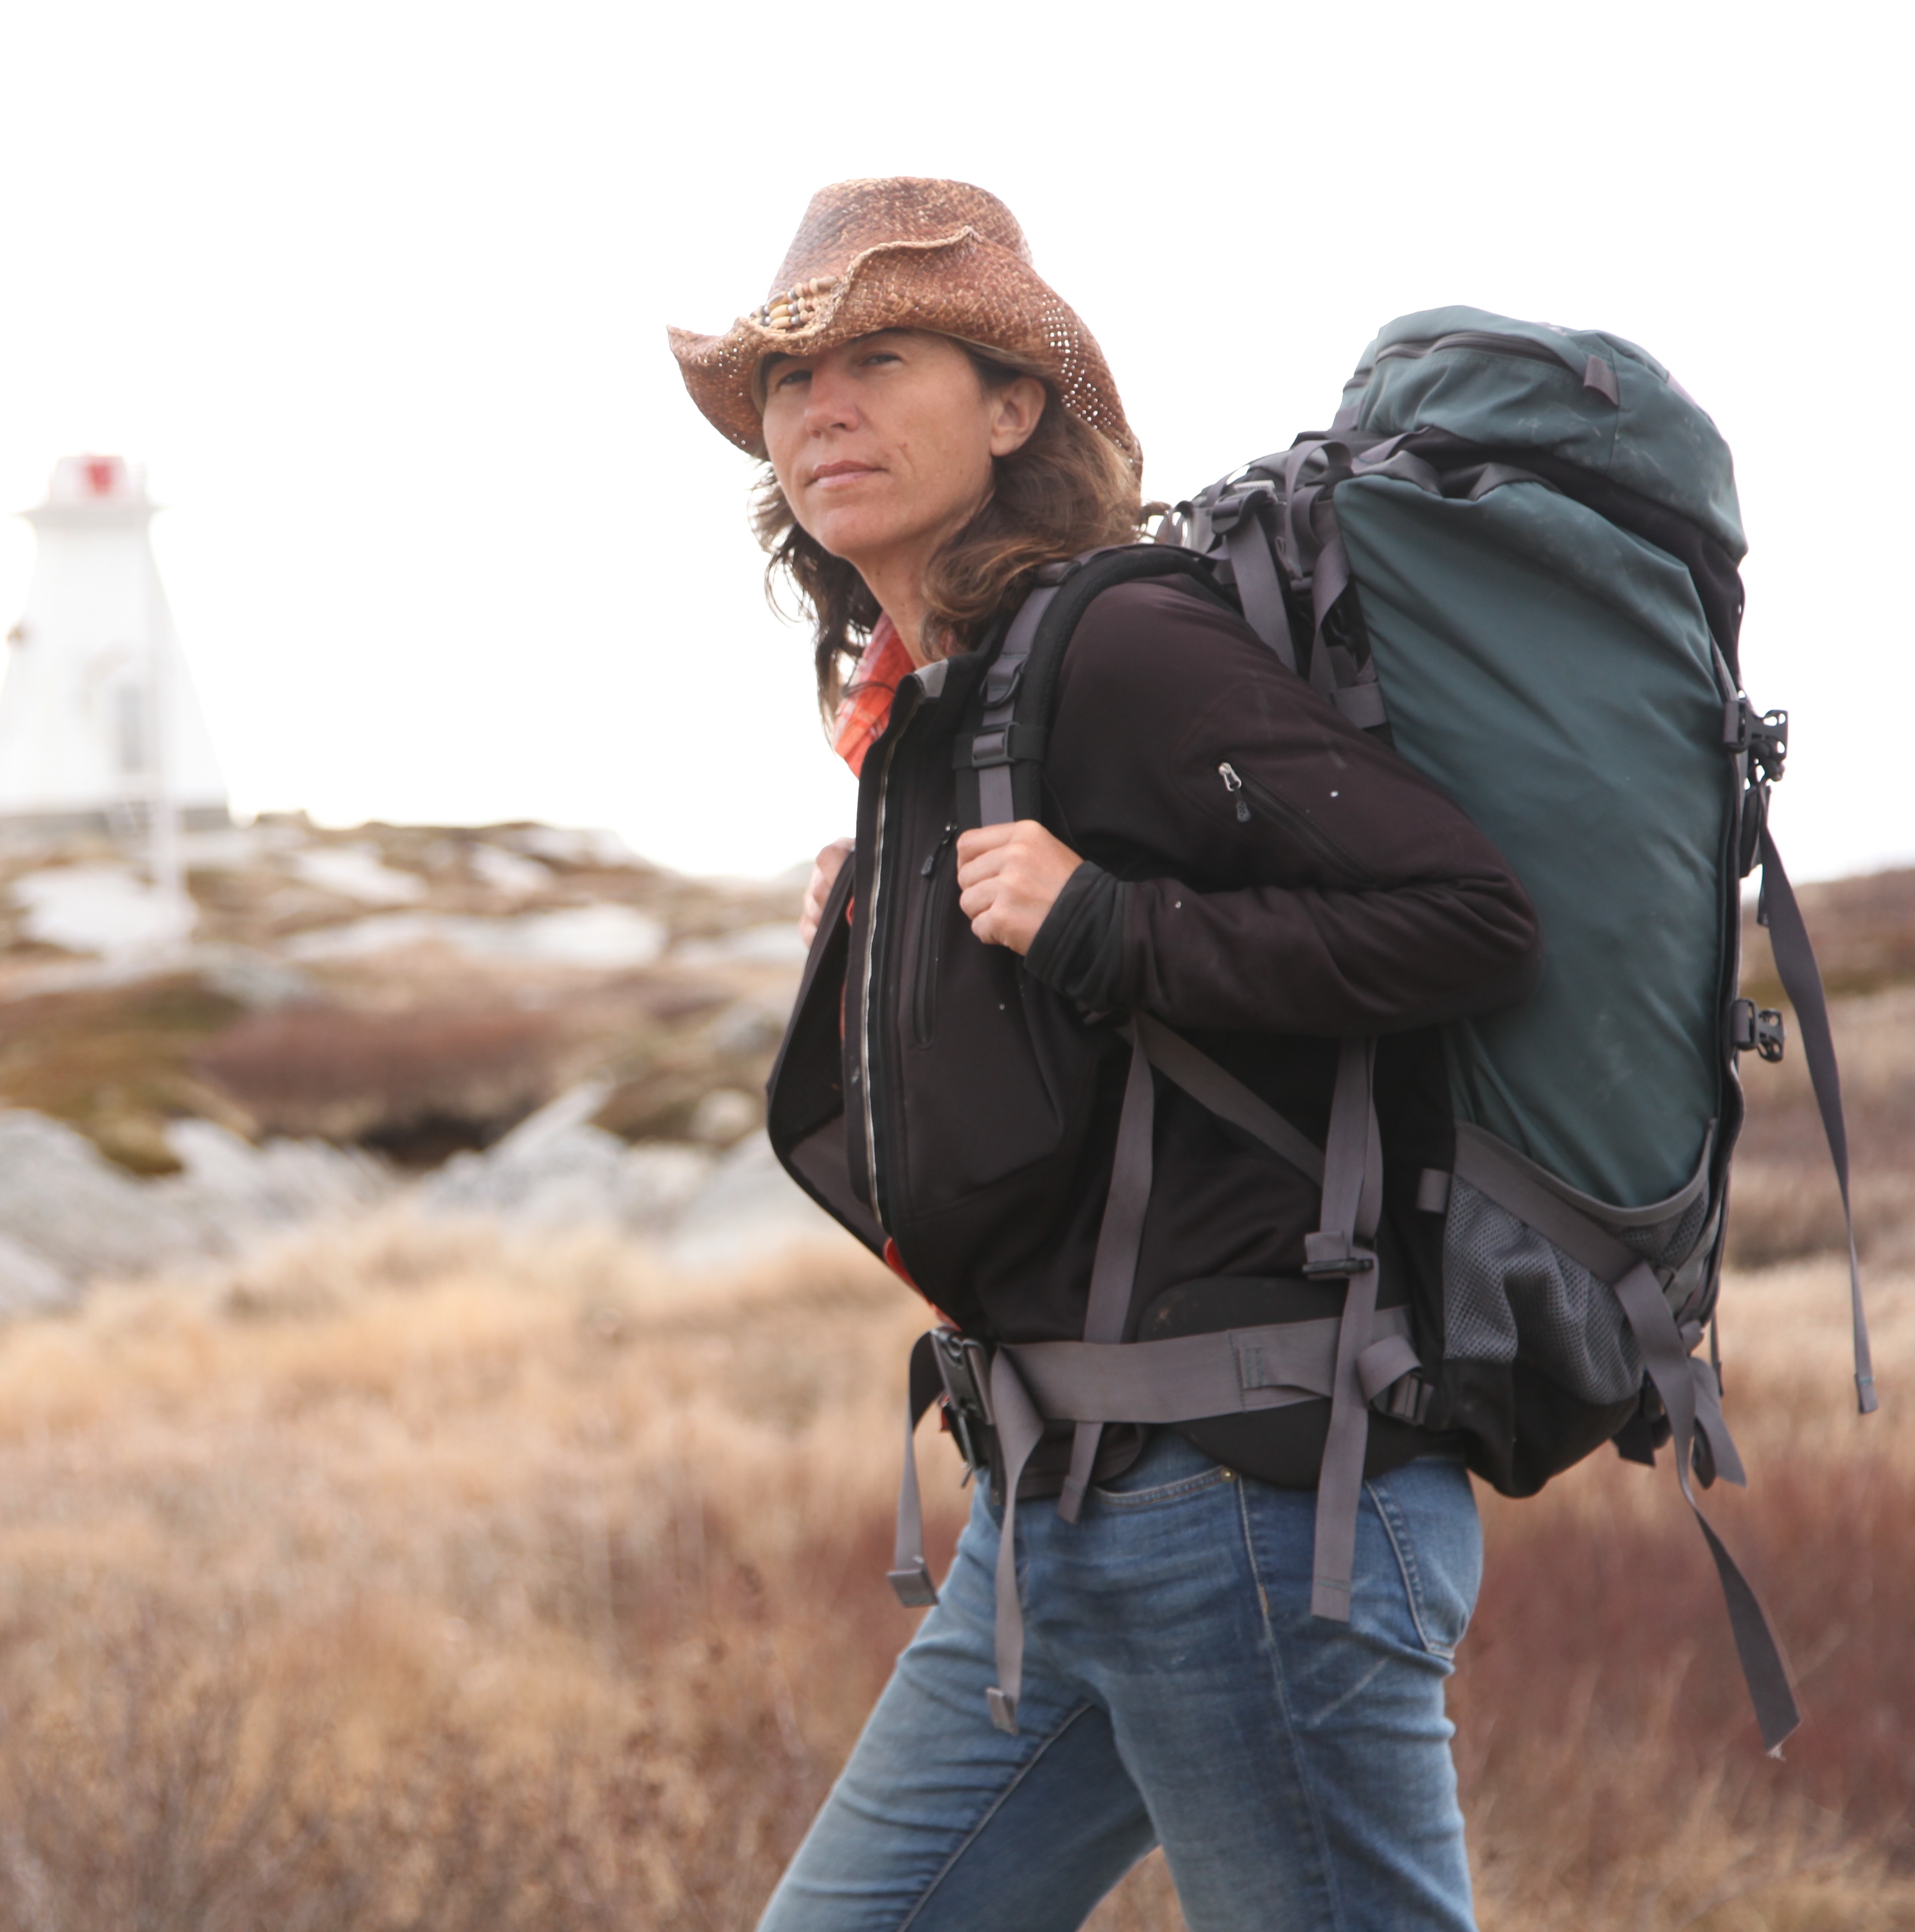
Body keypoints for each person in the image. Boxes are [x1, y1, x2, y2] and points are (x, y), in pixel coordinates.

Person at [668, 179, 1543, 1931]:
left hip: (1247, 1500)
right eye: (788, 382)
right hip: (1056, 1513)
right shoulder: (943, 708)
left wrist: (1108, 928)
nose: (821, 408)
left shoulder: (1122, 644)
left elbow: (1467, 917)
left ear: (1012, 409)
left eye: (882, 357)